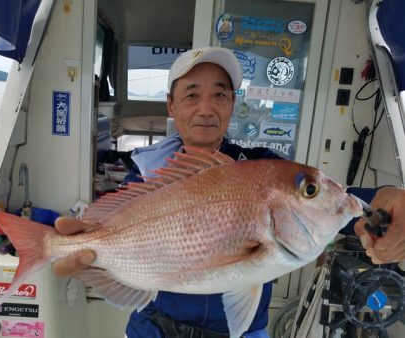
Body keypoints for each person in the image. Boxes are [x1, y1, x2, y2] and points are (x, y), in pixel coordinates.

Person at [53, 47, 405, 337]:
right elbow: (108, 242)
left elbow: (340, 204)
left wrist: (384, 199)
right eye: (192, 95)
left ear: (232, 104)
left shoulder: (263, 167)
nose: (206, 108)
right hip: (153, 327)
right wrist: (91, 259)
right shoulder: (145, 176)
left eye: (219, 94)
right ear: (171, 105)